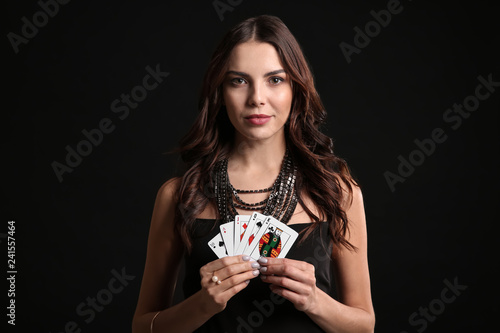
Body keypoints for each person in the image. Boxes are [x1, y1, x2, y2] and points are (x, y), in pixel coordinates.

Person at [132, 15, 375, 333]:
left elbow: (364, 326)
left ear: (296, 89)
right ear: (220, 91)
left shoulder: (340, 193)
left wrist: (315, 300)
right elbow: (142, 327)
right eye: (239, 80)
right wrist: (202, 305)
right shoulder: (178, 195)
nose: (257, 98)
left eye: (275, 79)